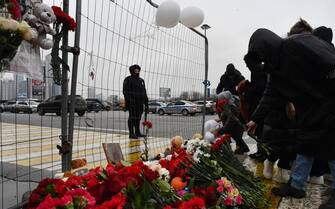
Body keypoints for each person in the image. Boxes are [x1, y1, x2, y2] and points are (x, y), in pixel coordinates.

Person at [244, 27, 335, 209]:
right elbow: (271, 94)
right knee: (306, 143)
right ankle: (297, 186)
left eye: (263, 58)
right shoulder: (275, 66)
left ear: (268, 47)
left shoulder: (296, 44)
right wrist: (255, 119)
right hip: (312, 106)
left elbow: (330, 61)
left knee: (332, 145)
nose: (264, 63)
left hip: (330, 97)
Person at [123, 64, 149, 139]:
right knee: (132, 118)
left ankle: (137, 132)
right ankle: (131, 133)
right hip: (132, 103)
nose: (137, 71)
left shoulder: (141, 81)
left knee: (138, 118)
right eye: (135, 70)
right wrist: (129, 102)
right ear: (131, 71)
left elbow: (144, 93)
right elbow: (125, 92)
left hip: (140, 103)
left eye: (138, 70)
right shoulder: (128, 79)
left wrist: (146, 104)